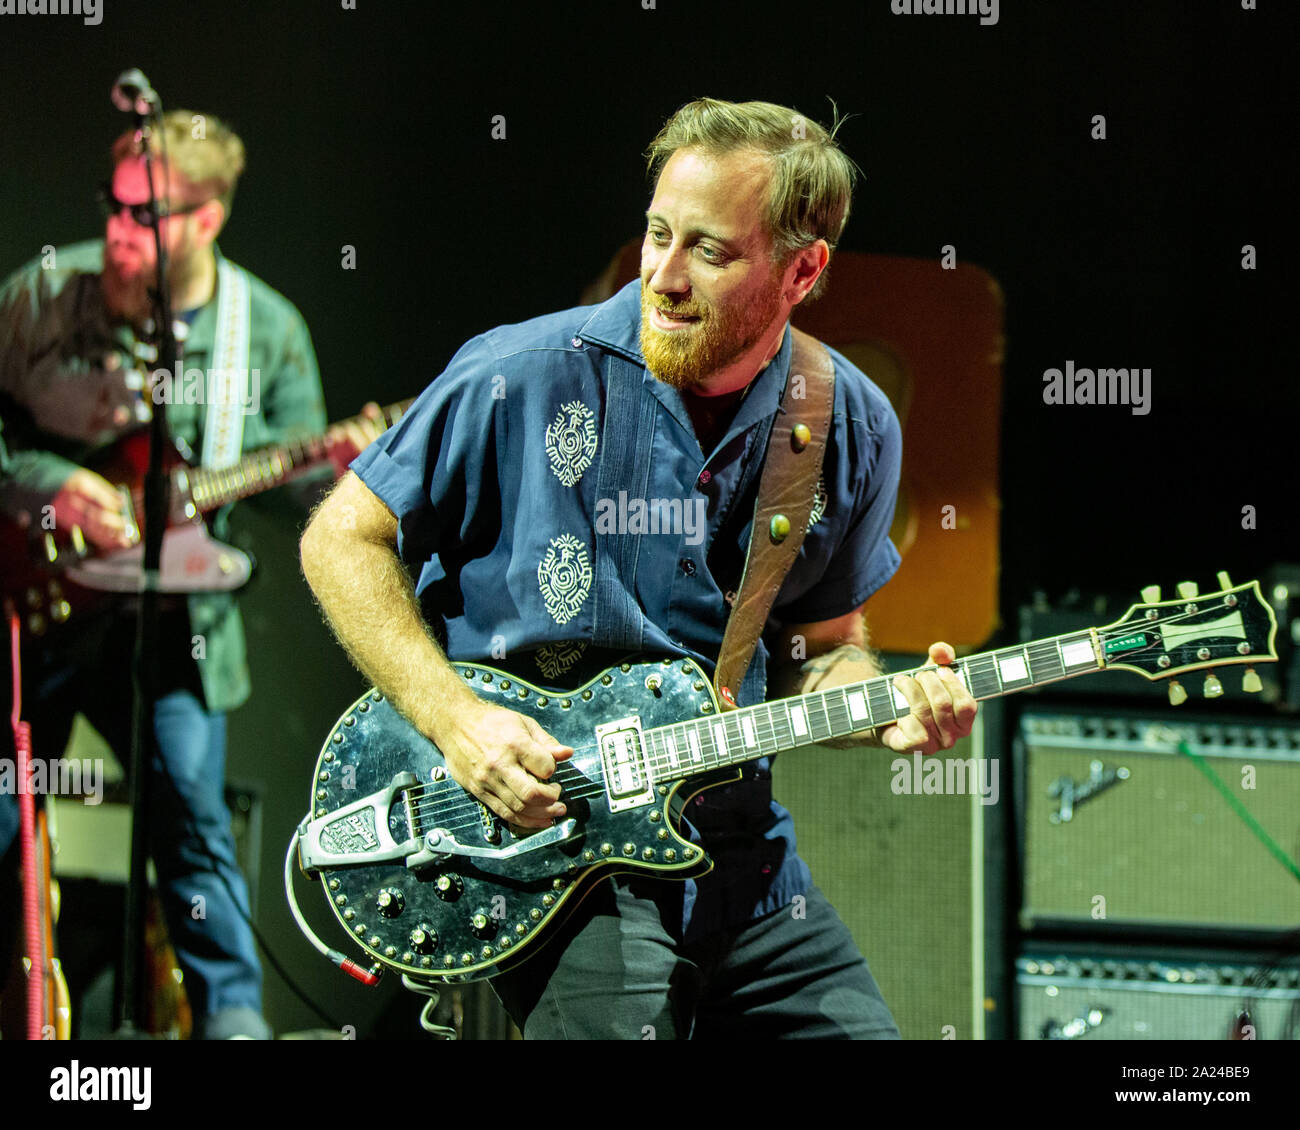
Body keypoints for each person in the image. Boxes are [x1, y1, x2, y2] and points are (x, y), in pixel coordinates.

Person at [299, 97, 978, 1039]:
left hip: (740, 853)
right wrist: (457, 722)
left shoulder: (850, 422)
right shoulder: (522, 371)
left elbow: (822, 652)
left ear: (802, 269)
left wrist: (889, 712)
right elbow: (340, 536)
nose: (662, 272)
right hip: (549, 845)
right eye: (658, 231)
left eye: (709, 250)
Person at [0, 109, 376, 1039]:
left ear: (206, 220)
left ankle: (233, 1025)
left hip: (176, 628)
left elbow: (304, 494)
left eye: (144, 217)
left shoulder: (268, 330)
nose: (117, 234)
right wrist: (48, 484)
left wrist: (349, 465)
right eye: (113, 207)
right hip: (35, 608)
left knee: (194, 829)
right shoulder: (43, 295)